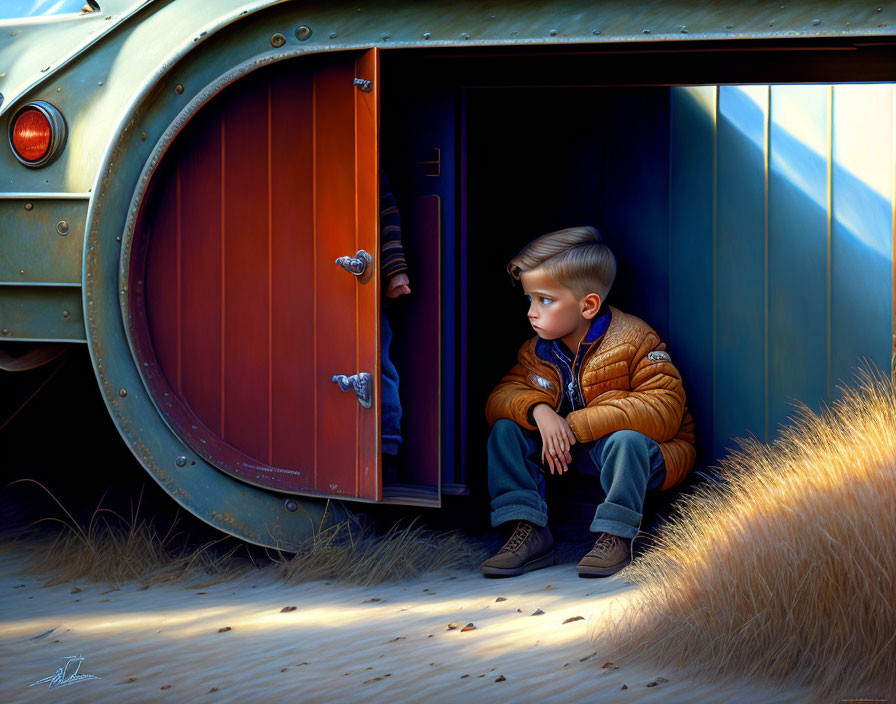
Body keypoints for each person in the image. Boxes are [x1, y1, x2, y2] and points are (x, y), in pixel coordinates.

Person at [481, 226, 696, 578]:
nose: (531, 312)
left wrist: (575, 425)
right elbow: (501, 398)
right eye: (529, 300)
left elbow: (665, 409)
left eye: (544, 300)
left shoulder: (635, 339)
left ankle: (617, 535)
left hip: (641, 454)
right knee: (506, 430)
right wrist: (541, 412)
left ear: (588, 305)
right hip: (571, 453)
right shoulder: (537, 350)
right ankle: (530, 529)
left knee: (626, 442)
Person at [379, 170, 410, 483]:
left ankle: (387, 450)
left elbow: (386, 216)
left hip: (365, 287)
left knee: (380, 367)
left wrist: (395, 271)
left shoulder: (369, 167)